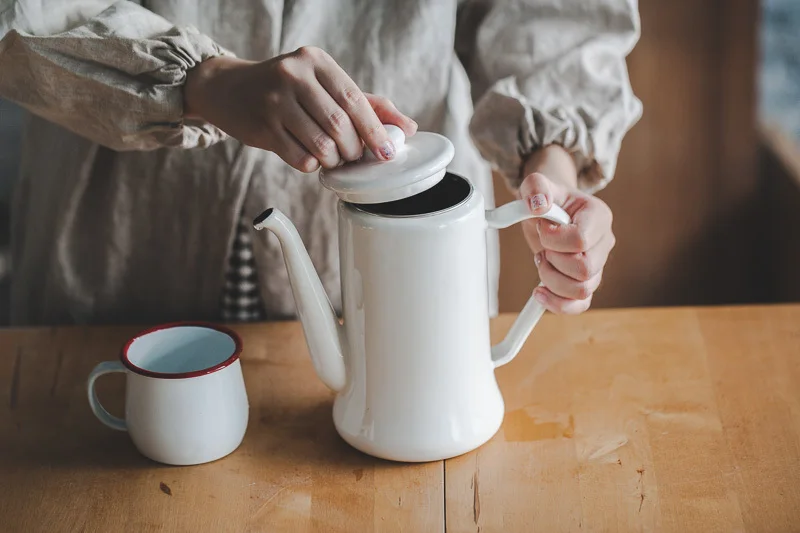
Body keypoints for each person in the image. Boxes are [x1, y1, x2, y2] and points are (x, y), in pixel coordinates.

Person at [0, 0, 642, 326]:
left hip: (401, 283)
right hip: (115, 242)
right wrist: (203, 82)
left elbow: (552, 16)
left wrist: (551, 176)